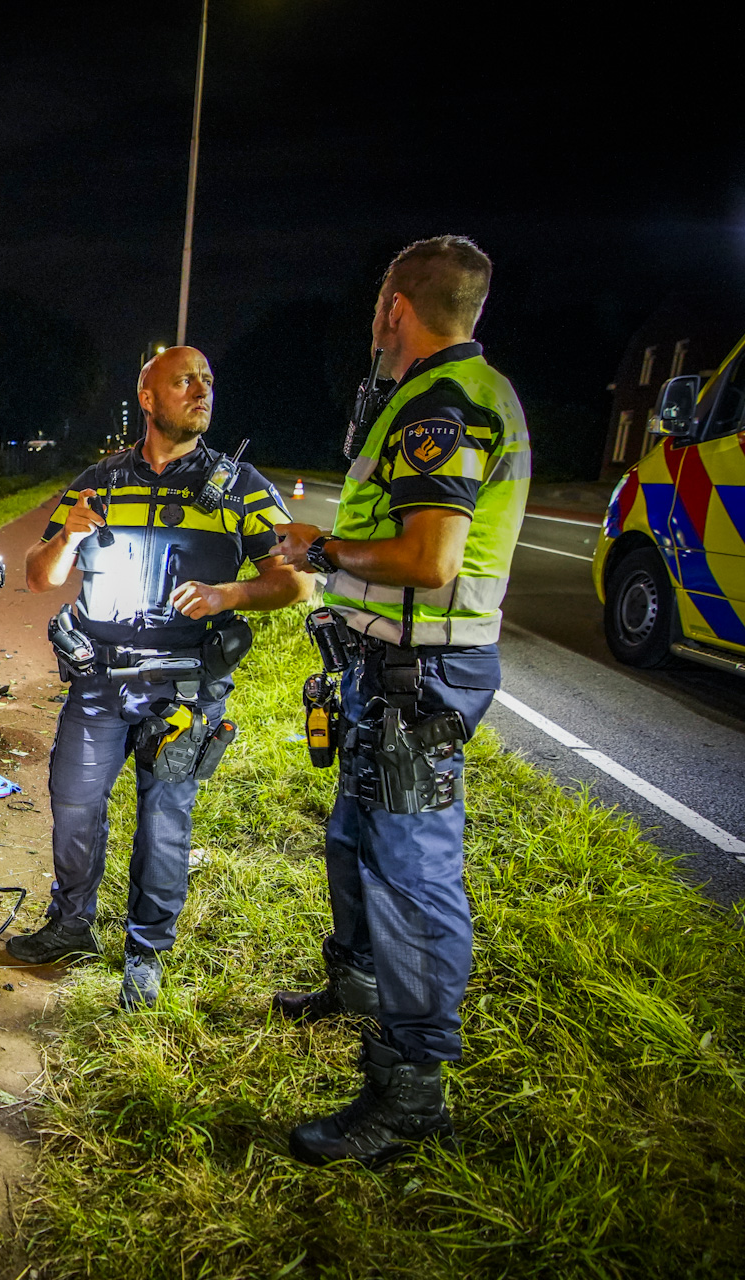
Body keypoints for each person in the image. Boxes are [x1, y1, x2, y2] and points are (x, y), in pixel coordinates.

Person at [271, 235, 529, 1167]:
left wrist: (326, 552)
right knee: (352, 837)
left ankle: (412, 1089)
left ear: (395, 308)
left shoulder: (444, 402)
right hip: (386, 676)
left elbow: (431, 559)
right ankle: (357, 988)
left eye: (380, 306)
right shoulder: (439, 395)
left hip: (421, 681)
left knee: (413, 880)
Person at [6, 346, 305, 1006]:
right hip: (99, 682)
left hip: (185, 689)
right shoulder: (99, 482)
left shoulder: (241, 487)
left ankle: (145, 951)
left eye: (208, 380)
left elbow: (295, 581)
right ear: (147, 397)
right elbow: (37, 576)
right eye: (185, 380)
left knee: (164, 820)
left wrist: (231, 595)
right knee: (75, 805)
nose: (203, 390)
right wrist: (67, 539)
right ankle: (71, 925)